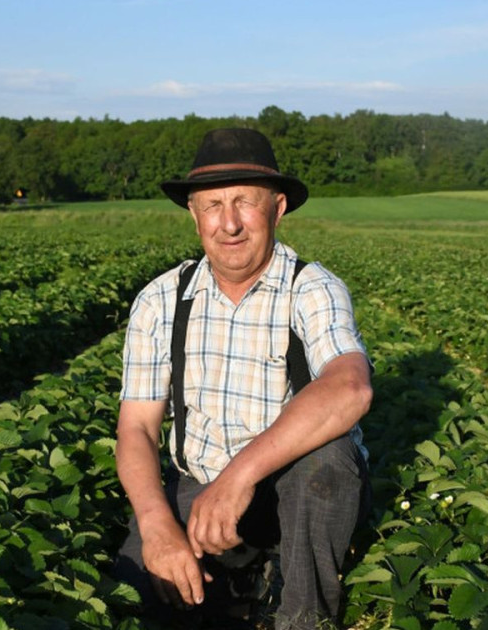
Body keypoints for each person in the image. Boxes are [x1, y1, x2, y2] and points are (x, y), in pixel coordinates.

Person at [114, 128, 373, 629]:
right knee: (135, 591)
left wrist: (239, 477)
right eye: (212, 205)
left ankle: (303, 616)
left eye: (244, 203)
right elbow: (137, 429)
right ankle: (241, 575)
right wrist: (156, 525)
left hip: (294, 493)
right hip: (200, 484)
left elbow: (351, 386)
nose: (228, 223)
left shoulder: (311, 289)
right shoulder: (161, 300)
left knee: (329, 463)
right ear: (194, 215)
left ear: (277, 209)